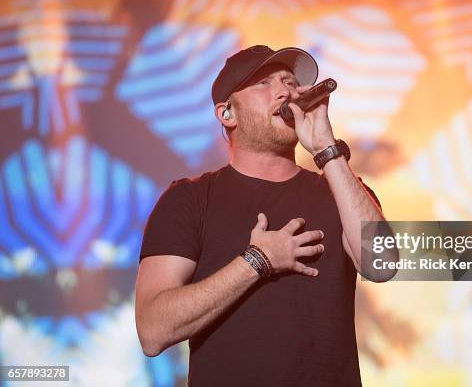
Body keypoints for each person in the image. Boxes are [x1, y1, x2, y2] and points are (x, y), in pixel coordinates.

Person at [135, 45, 397, 386]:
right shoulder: (189, 199)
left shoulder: (341, 187)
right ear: (228, 114)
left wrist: (326, 150)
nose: (286, 91)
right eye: (264, 83)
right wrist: (258, 261)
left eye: (289, 81)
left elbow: (383, 263)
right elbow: (153, 330)